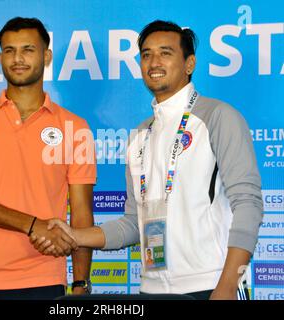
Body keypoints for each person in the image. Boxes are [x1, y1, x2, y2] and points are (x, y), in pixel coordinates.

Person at [32, 20, 263, 300]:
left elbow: (248, 204)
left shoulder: (218, 117)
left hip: (211, 284)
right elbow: (133, 224)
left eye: (165, 52)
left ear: (189, 64)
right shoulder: (139, 136)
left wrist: (227, 285)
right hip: (152, 289)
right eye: (146, 54)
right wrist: (74, 235)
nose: (154, 62)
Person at [0, 17, 96, 300]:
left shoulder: (76, 127)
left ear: (46, 56)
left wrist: (81, 284)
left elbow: (82, 213)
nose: (17, 58)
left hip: (43, 280)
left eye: (28, 49)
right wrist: (32, 224)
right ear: (1, 57)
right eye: (9, 50)